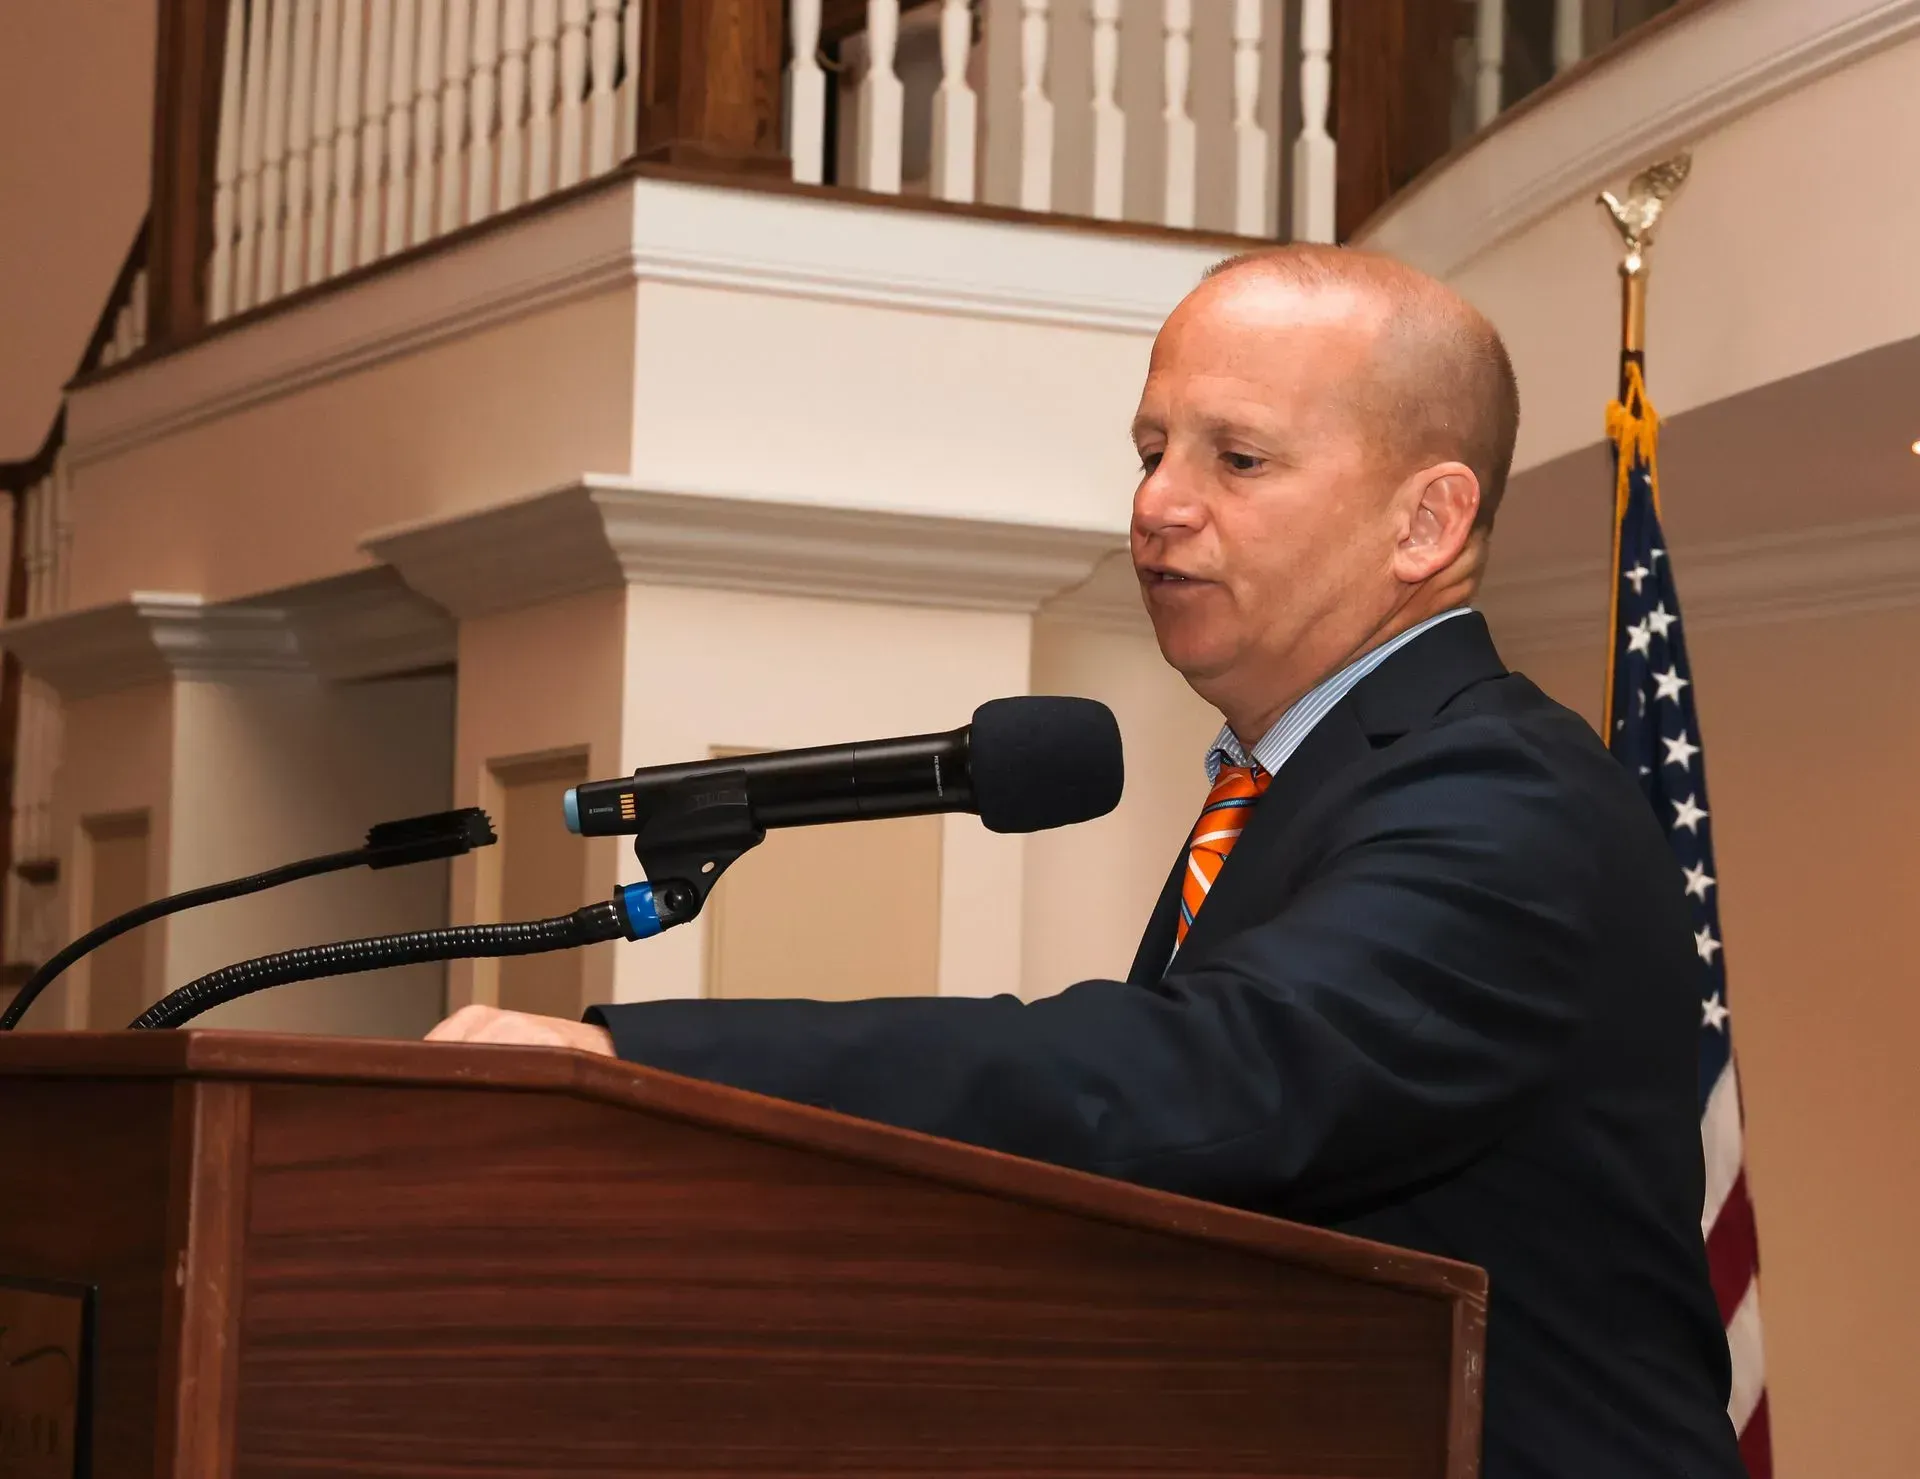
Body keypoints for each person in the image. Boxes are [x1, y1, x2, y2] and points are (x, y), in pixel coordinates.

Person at [429, 245, 1746, 1476]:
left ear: (1426, 521)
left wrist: (639, 1072)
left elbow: (1208, 1077)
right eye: (1152, 449)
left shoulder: (1504, 792)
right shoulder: (1303, 775)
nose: (1158, 505)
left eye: (1238, 459)